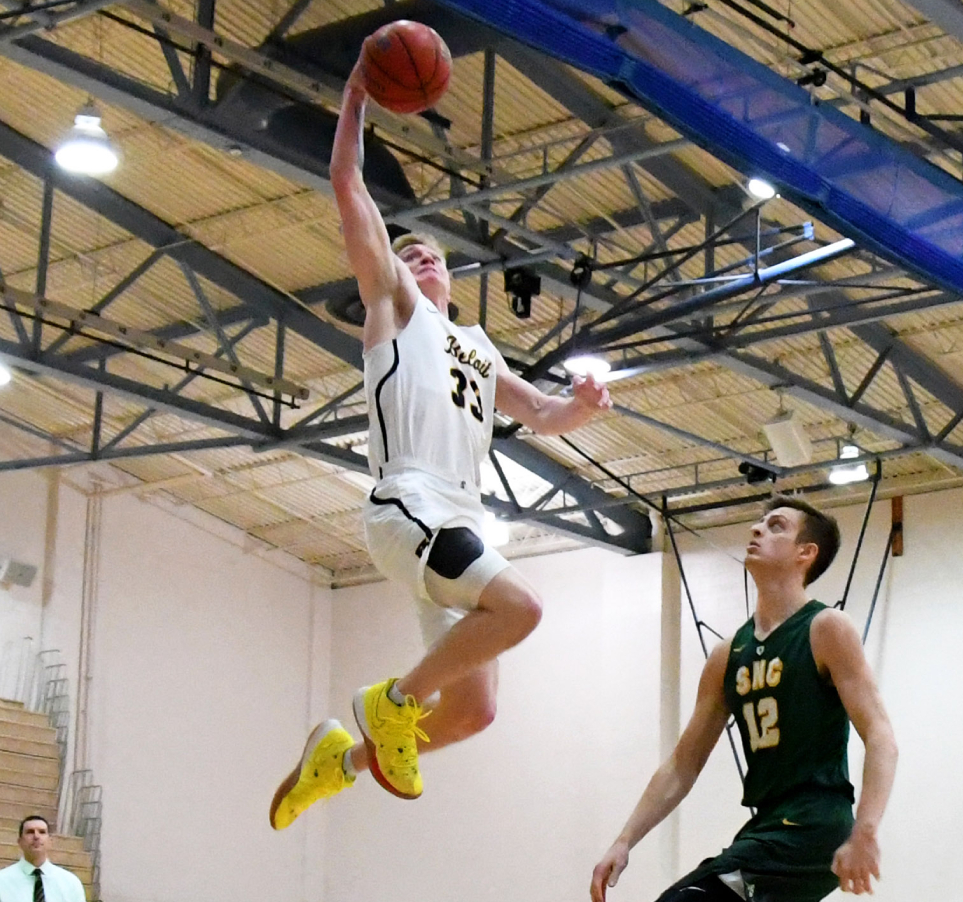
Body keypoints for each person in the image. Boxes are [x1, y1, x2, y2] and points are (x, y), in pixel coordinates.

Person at [269, 44, 613, 830]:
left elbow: (544, 415)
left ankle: (340, 759)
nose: (419, 255)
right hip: (410, 502)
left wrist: (583, 403)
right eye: (409, 248)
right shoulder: (394, 308)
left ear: (454, 281)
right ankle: (387, 702)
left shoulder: (481, 347)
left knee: (474, 714)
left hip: (460, 519)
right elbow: (348, 184)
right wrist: (357, 91)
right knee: (523, 611)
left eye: (434, 254)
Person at [589, 499, 899, 901]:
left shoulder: (826, 628)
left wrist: (866, 831)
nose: (757, 530)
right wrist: (624, 840)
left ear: (806, 553)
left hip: (813, 827)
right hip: (766, 826)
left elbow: (880, 735)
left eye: (776, 527)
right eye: (758, 523)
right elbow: (682, 766)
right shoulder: (727, 654)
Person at [0, 816, 86, 902]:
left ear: (50, 841)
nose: (36, 836)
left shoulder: (70, 883)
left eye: (42, 832)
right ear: (20, 842)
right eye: (30, 832)